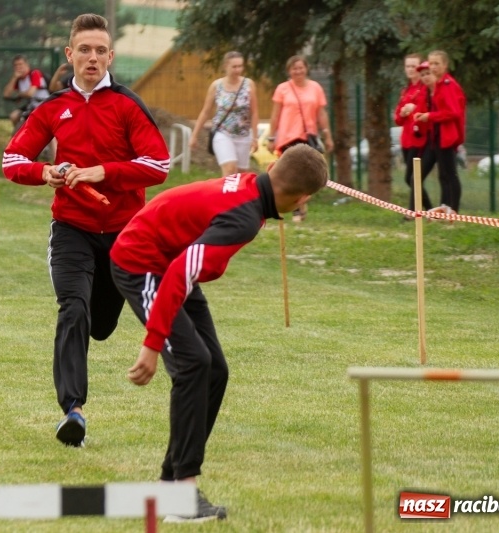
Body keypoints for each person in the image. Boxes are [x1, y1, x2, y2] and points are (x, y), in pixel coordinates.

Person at [109, 144, 328, 521]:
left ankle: (168, 485)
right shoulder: (244, 214)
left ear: (273, 166)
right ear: (303, 198)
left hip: (172, 260)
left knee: (214, 370)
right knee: (194, 363)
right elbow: (179, 273)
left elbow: (186, 264)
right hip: (143, 263)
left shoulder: (253, 189)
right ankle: (183, 494)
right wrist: (152, 345)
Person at [1, 13, 170, 447]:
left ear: (110, 56)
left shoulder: (128, 105)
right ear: (69, 54)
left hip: (124, 235)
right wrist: (47, 173)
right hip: (72, 228)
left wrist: (102, 173)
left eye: (100, 51)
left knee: (101, 325)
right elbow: (12, 161)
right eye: (84, 50)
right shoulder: (53, 107)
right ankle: (73, 411)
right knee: (73, 309)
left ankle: (105, 322)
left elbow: (158, 165)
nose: (92, 58)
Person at [266, 55, 333, 223]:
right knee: (290, 174)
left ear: (306, 69)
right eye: (294, 68)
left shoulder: (315, 88)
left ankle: (300, 206)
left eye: (301, 68)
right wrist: (271, 137)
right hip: (287, 137)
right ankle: (297, 209)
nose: (298, 71)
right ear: (289, 71)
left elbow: (321, 113)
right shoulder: (282, 89)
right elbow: (275, 115)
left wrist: (327, 134)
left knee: (305, 174)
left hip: (308, 137)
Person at [413, 50, 466, 214]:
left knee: (450, 175)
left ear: (445, 65)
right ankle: (445, 208)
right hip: (437, 137)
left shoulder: (448, 84)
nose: (433, 67)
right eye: (431, 63)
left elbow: (453, 112)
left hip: (447, 137)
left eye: (437, 64)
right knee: (443, 175)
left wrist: (430, 116)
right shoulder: (438, 85)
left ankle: (454, 211)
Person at [189, 51, 258, 176]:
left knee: (241, 175)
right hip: (222, 133)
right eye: (234, 67)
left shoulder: (249, 85)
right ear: (226, 66)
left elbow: (254, 112)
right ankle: (226, 195)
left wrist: (254, 137)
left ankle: (235, 195)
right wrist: (194, 135)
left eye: (240, 66)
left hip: (243, 134)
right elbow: (205, 112)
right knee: (230, 170)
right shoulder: (216, 86)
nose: (238, 70)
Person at [393, 54, 430, 217]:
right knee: (410, 178)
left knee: (412, 177)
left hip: (419, 139)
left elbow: (427, 112)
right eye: (407, 66)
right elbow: (398, 119)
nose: (410, 70)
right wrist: (402, 112)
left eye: (413, 66)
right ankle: (429, 209)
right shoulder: (406, 90)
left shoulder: (425, 89)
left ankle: (412, 212)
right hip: (406, 140)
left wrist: (414, 109)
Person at [3, 55, 49, 128]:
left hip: (43, 104)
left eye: (20, 64)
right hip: (31, 105)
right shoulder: (18, 79)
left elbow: (30, 93)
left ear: (27, 65)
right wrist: (14, 78)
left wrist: (18, 94)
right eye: (16, 65)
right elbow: (6, 94)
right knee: (14, 116)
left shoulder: (34, 73)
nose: (18, 67)